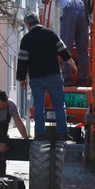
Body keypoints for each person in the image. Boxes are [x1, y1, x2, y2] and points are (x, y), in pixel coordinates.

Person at [16, 13, 77, 141]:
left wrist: (22, 79)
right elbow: (64, 52)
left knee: (39, 106)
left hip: (36, 78)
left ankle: (40, 134)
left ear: (28, 25)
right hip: (54, 76)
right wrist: (73, 66)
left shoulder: (26, 39)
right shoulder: (51, 34)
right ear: (39, 21)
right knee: (59, 105)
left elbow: (22, 61)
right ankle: (62, 133)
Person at [42, 0, 89, 85]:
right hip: (83, 14)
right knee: (83, 49)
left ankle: (66, 79)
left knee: (66, 47)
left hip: (70, 13)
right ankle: (83, 79)